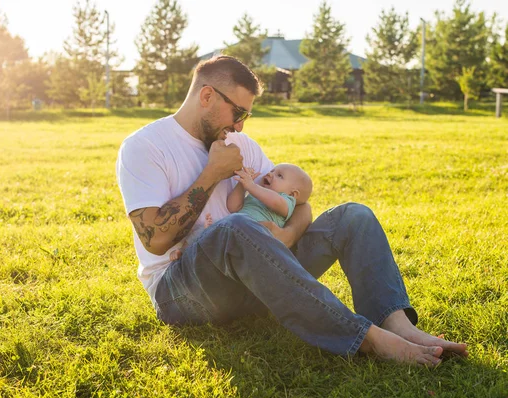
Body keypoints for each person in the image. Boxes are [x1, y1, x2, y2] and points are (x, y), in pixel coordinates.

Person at [116, 55, 467, 366]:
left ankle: (399, 325)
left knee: (353, 216)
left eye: (246, 116)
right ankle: (368, 339)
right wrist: (212, 174)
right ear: (207, 96)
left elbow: (300, 205)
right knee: (235, 228)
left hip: (256, 283)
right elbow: (155, 240)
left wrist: (284, 236)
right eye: (237, 112)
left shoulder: (241, 144)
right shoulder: (144, 147)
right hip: (183, 293)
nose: (239, 125)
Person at [169, 163, 312, 261]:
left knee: (216, 243)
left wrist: (251, 186)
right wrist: (242, 185)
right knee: (199, 232)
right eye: (273, 170)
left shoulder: (286, 201)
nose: (271, 173)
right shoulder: (257, 195)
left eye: (279, 176)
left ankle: (206, 244)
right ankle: (184, 251)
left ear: (293, 194)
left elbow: (274, 202)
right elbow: (233, 207)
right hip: (233, 229)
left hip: (253, 238)